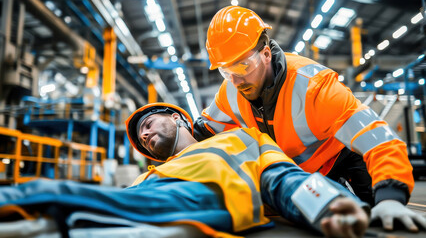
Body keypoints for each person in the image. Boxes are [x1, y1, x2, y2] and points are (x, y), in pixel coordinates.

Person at [193, 5, 424, 232]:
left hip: (344, 158)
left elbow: (377, 138)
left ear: (265, 54)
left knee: (382, 223)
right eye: (225, 71)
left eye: (242, 66)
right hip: (301, 177)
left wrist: (390, 198)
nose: (235, 80)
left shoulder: (313, 87)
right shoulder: (231, 91)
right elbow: (201, 133)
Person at [0, 103, 369, 238]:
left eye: (148, 123)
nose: (143, 135)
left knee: (51, 195)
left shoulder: (238, 140)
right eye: (140, 137)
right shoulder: (147, 174)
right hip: (149, 201)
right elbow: (126, 198)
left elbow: (281, 179)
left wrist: (326, 205)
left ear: (177, 118)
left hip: (198, 200)